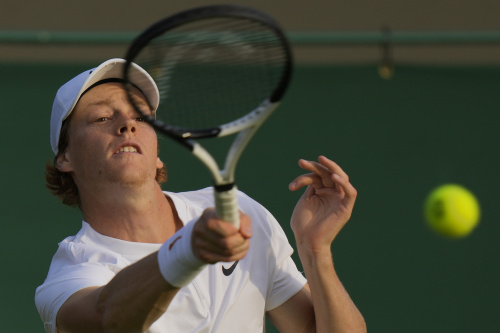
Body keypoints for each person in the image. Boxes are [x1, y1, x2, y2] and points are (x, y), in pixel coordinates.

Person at [35, 58, 366, 333]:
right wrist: (189, 250)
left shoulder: (241, 211)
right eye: (103, 117)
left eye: (141, 115)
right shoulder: (71, 273)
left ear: (158, 153)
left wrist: (315, 251)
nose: (127, 124)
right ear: (65, 158)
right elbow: (108, 318)